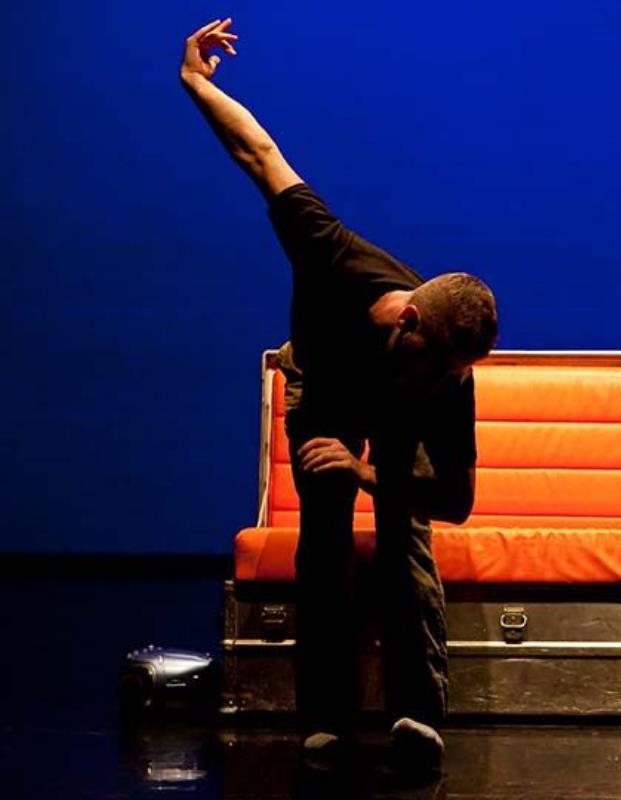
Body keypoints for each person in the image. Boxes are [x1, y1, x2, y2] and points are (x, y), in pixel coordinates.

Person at [179, 18, 498, 771]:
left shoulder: (444, 382)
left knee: (403, 535)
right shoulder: (333, 255)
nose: (445, 380)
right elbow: (261, 155)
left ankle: (416, 717)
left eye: (455, 373)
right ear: (407, 319)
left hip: (389, 419)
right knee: (323, 540)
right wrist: (194, 81)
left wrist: (367, 471)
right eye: (437, 365)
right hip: (322, 386)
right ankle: (324, 718)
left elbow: (455, 501)